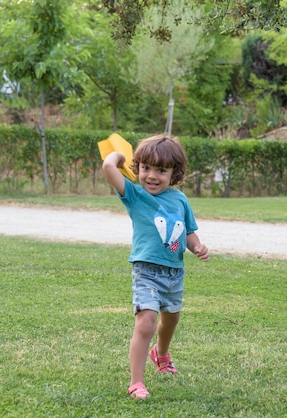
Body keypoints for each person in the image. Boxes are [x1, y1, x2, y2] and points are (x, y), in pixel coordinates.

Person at [102, 134, 210, 400]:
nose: (152, 176)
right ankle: (136, 382)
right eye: (146, 168)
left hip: (174, 274)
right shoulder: (135, 195)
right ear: (137, 167)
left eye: (161, 170)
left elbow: (187, 232)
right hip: (146, 272)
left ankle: (160, 354)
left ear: (174, 173)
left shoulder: (180, 200)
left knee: (170, 320)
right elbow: (108, 167)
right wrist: (120, 158)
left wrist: (197, 246)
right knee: (146, 323)